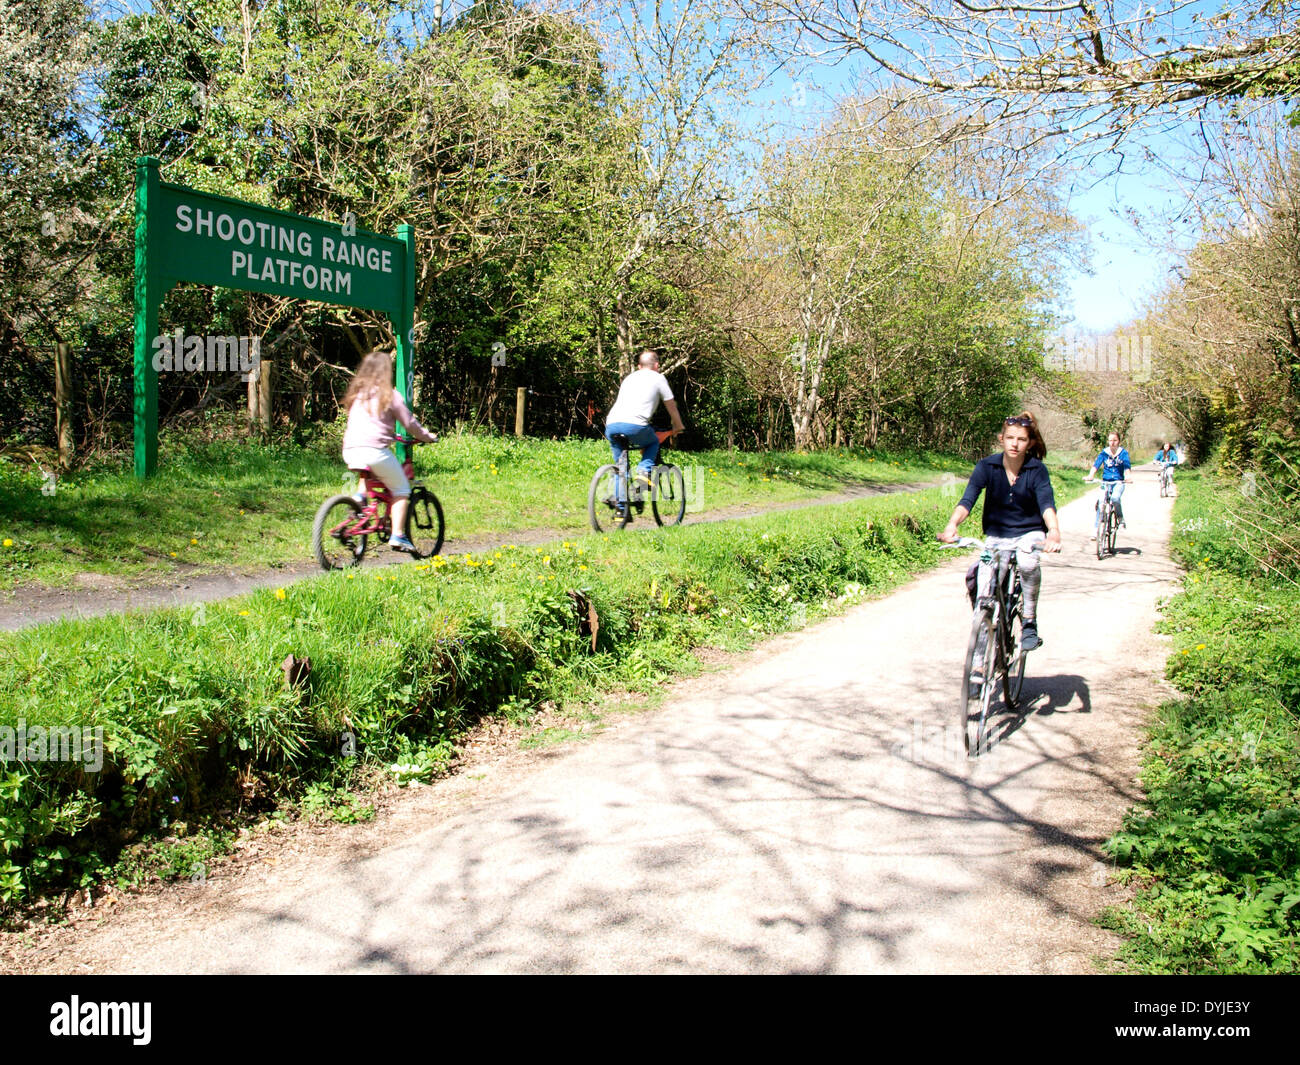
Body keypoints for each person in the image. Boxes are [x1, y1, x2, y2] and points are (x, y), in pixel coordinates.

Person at [938, 412, 1062, 652]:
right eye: (1010, 438)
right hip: (996, 536)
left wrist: (1054, 532)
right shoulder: (987, 466)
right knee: (984, 588)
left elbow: (1047, 504)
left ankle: (1028, 621)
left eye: (1022, 439)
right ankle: (979, 665)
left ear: (1031, 443)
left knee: (1027, 563)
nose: (1015, 444)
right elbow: (968, 500)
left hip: (1030, 533)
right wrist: (952, 525)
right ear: (1001, 439)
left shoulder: (1037, 470)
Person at [341, 351, 438, 552]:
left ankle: (360, 500)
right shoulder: (390, 395)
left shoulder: (357, 395)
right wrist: (426, 436)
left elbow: (367, 424)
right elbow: (409, 423)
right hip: (375, 451)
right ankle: (398, 535)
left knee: (368, 474)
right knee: (401, 489)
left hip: (350, 449)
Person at [604, 349, 686, 502]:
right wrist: (678, 425)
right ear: (657, 365)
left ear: (639, 366)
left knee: (621, 467)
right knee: (653, 441)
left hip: (612, 425)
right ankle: (643, 472)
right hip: (636, 426)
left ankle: (620, 508)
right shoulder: (658, 377)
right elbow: (671, 405)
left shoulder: (629, 378)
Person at [1084, 430, 1131, 537]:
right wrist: (1091, 475)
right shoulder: (1104, 453)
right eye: (1110, 440)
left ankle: (1120, 518)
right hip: (1105, 482)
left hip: (1118, 482)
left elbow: (1127, 467)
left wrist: (1128, 476)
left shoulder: (1123, 453)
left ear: (1119, 441)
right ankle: (1096, 530)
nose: (1112, 443)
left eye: (1115, 440)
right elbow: (1096, 465)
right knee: (1101, 503)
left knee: (1115, 498)